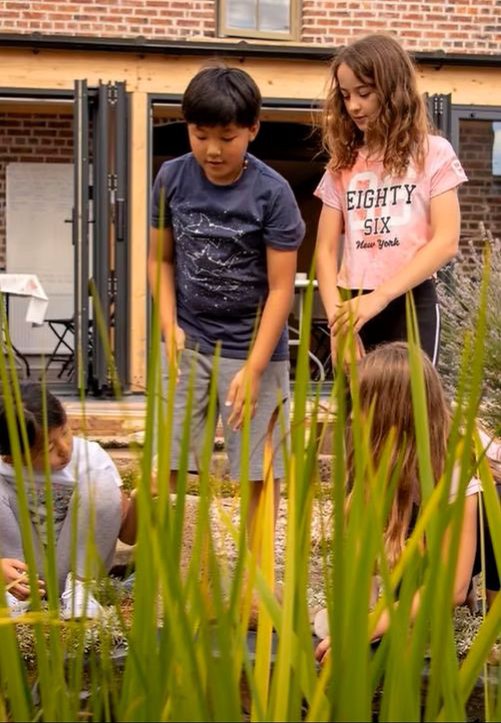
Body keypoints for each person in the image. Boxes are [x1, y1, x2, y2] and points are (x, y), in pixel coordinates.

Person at [148, 64, 305, 536]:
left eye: (227, 137)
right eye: (200, 135)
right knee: (170, 461)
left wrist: (254, 369)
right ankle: (163, 560)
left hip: (255, 352)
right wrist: (168, 325)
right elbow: (160, 261)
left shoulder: (273, 193)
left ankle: (254, 578)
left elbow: (282, 288)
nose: (212, 150)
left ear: (253, 129)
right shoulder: (171, 178)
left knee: (259, 470)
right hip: (188, 344)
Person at [314, 342, 500, 663]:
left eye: (362, 404)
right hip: (448, 516)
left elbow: (450, 588)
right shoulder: (386, 452)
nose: (353, 414)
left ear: (391, 413)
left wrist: (367, 628)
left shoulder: (459, 458)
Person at [314, 33, 468, 367]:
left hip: (411, 303)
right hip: (352, 307)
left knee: (411, 413)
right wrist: (337, 323)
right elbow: (324, 251)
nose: (353, 105)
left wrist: (380, 298)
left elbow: (446, 241)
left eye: (364, 93)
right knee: (357, 415)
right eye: (345, 95)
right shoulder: (342, 164)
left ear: (393, 90)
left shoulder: (434, 153)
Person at [0, 383, 138, 619]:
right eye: (50, 448)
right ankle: (16, 593)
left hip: (78, 572)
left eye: (65, 432)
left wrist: (141, 495)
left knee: (101, 482)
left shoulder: (90, 458)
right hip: (25, 573)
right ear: (13, 458)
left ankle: (81, 594)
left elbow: (129, 536)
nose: (65, 450)